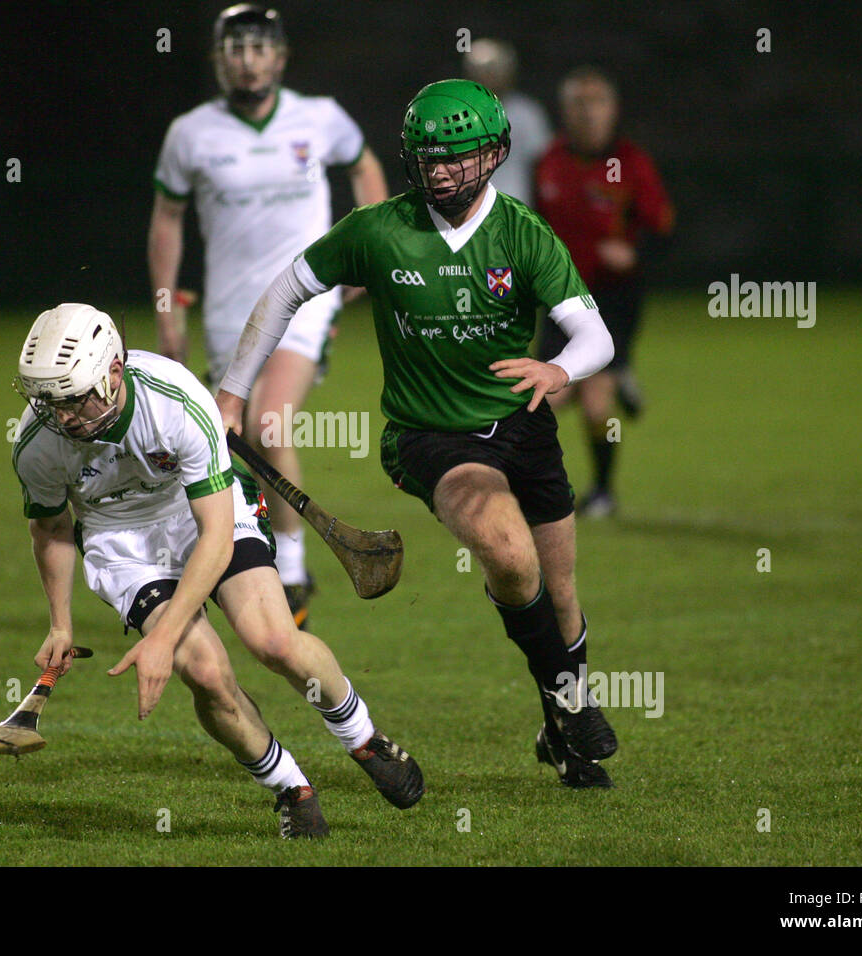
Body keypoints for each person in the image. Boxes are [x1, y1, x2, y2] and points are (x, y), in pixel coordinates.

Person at [217, 80, 619, 788]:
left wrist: (557, 370)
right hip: (432, 437)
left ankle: (562, 734)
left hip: (525, 428)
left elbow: (596, 337)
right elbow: (287, 288)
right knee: (506, 549)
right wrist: (232, 393)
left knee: (558, 595)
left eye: (459, 157)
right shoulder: (379, 229)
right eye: (428, 157)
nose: (441, 171)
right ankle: (574, 702)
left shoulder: (523, 234)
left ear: (495, 154)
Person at [13, 303, 423, 839]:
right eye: (49, 402)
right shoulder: (37, 443)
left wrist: (161, 638)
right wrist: (61, 624)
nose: (64, 417)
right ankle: (291, 790)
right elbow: (52, 530)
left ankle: (362, 736)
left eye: (75, 399)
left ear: (114, 373)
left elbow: (213, 534)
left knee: (273, 640)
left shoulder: (175, 400)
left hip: (201, 513)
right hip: (121, 545)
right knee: (204, 671)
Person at [149, 3, 389, 628]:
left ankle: (295, 566)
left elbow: (365, 168)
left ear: (280, 57)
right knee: (231, 442)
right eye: (235, 49)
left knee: (271, 424)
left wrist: (366, 254)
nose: (248, 60)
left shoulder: (321, 117)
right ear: (218, 59)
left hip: (304, 304)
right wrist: (166, 303)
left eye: (259, 49)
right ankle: (242, 557)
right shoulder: (191, 133)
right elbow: (168, 219)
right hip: (230, 316)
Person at [535, 66, 675, 517]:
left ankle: (602, 491)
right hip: (560, 299)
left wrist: (633, 252)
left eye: (597, 102)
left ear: (612, 110)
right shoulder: (548, 163)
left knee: (595, 405)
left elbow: (663, 227)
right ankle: (539, 491)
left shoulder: (631, 163)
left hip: (612, 300)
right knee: (544, 402)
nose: (588, 112)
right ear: (565, 110)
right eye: (580, 102)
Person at [462, 38, 552, 207]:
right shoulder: (456, 113)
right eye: (480, 70)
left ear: (509, 72)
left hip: (516, 213)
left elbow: (543, 167)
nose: (487, 76)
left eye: (493, 69)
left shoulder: (528, 113)